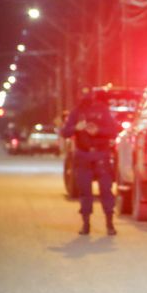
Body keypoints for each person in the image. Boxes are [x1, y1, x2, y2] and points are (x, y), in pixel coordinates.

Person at [61, 89, 121, 236]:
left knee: (105, 190)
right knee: (85, 191)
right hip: (83, 155)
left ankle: (109, 223)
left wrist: (98, 130)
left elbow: (114, 129)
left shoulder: (103, 111)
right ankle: (86, 224)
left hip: (101, 154)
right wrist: (76, 127)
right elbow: (64, 132)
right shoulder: (76, 113)